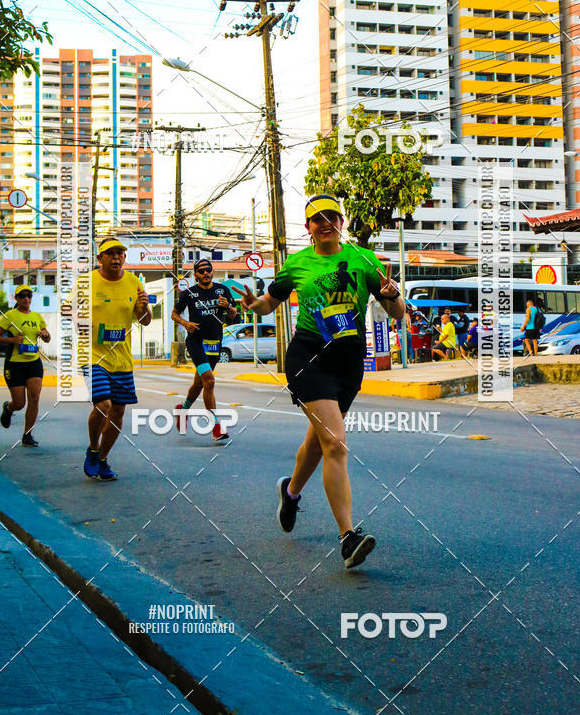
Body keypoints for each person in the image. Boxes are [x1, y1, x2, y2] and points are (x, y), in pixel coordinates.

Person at [236, 194, 405, 570]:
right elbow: (270, 302)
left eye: (332, 217)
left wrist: (393, 296)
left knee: (319, 440)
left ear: (341, 223)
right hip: (308, 357)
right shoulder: (297, 264)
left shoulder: (363, 260)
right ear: (308, 227)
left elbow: (397, 313)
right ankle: (348, 537)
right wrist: (254, 305)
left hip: (348, 362)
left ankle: (291, 491)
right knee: (335, 442)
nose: (325, 223)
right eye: (317, 219)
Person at [74, 238, 152, 480]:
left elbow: (145, 321)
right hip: (93, 356)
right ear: (100, 258)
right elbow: (69, 311)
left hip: (122, 359)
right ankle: (93, 448)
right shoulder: (85, 282)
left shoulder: (134, 282)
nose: (116, 257)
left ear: (124, 258)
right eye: (110, 253)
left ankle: (103, 458)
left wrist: (145, 307)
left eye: (120, 253)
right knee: (103, 405)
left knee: (117, 413)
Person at [171, 258, 238, 442]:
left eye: (208, 269)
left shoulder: (222, 290)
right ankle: (215, 426)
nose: (205, 273)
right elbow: (174, 314)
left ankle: (183, 410)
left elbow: (233, 314)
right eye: (201, 271)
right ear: (196, 275)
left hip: (214, 342)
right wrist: (185, 323)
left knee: (200, 384)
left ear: (212, 271)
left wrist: (228, 307)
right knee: (209, 380)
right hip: (196, 341)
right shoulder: (189, 293)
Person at [0, 285, 51, 446]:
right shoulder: (10, 316)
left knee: (34, 399)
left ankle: (27, 435)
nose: (26, 299)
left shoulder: (37, 316)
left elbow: (47, 338)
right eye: (22, 296)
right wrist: (12, 340)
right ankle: (8, 408)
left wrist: (45, 334)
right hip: (15, 364)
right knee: (19, 403)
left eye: (29, 295)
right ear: (16, 298)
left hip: (33, 362)